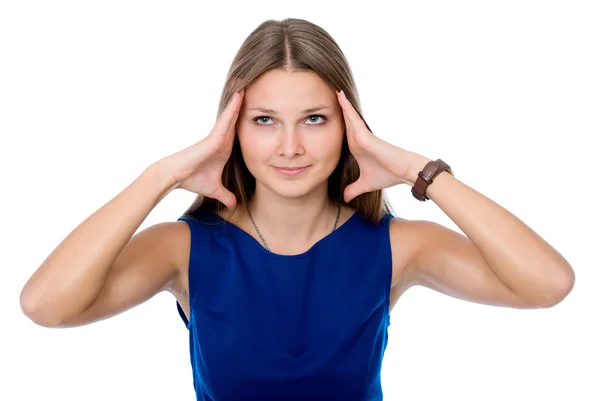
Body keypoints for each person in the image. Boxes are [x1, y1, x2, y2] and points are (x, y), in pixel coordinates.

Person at [19, 18, 575, 401]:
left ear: (347, 125)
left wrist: (416, 170)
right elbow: (45, 306)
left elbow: (548, 284)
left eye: (314, 119)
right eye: (264, 120)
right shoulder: (184, 248)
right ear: (232, 129)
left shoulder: (397, 246)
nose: (290, 147)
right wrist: (160, 175)